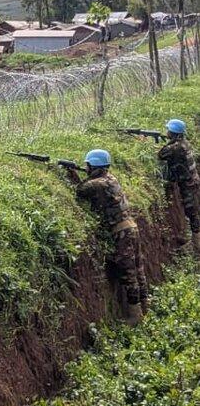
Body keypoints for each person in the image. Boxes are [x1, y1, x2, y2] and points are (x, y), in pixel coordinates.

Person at [64, 150, 147, 325]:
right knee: (138, 269)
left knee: (128, 273)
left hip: (122, 232)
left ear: (93, 166)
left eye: (88, 166)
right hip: (130, 227)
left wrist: (73, 174)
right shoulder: (110, 179)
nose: (86, 167)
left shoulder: (98, 183)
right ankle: (145, 305)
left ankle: (135, 315)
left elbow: (80, 191)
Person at [157, 118, 200, 255]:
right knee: (192, 212)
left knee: (192, 213)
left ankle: (196, 246)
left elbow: (161, 154)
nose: (166, 132)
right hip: (191, 183)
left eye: (168, 130)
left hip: (188, 185)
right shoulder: (183, 144)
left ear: (173, 132)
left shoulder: (176, 147)